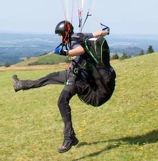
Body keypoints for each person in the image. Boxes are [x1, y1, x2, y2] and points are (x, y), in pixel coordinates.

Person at [12, 20, 110, 154]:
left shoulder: (74, 40)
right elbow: (96, 33)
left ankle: (69, 137)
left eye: (60, 34)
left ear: (65, 33)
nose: (59, 37)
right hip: (73, 73)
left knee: (62, 102)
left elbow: (81, 50)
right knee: (49, 77)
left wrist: (66, 53)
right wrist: (106, 31)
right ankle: (21, 84)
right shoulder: (78, 35)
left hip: (79, 79)